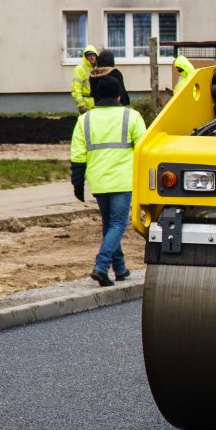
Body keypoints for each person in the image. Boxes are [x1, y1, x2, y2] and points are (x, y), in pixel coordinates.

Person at [71, 74, 147, 286]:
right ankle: (102, 266)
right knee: (118, 223)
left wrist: (77, 183)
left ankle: (120, 269)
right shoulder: (131, 117)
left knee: (109, 225)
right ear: (119, 95)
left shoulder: (84, 120)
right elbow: (144, 149)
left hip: (98, 180)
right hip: (122, 180)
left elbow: (78, 155)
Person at [71, 45, 98, 113]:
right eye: (89, 55)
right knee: (85, 123)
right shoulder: (80, 69)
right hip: (86, 102)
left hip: (96, 102)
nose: (92, 57)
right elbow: (76, 88)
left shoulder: (96, 68)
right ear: (85, 57)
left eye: (93, 55)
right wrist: (81, 105)